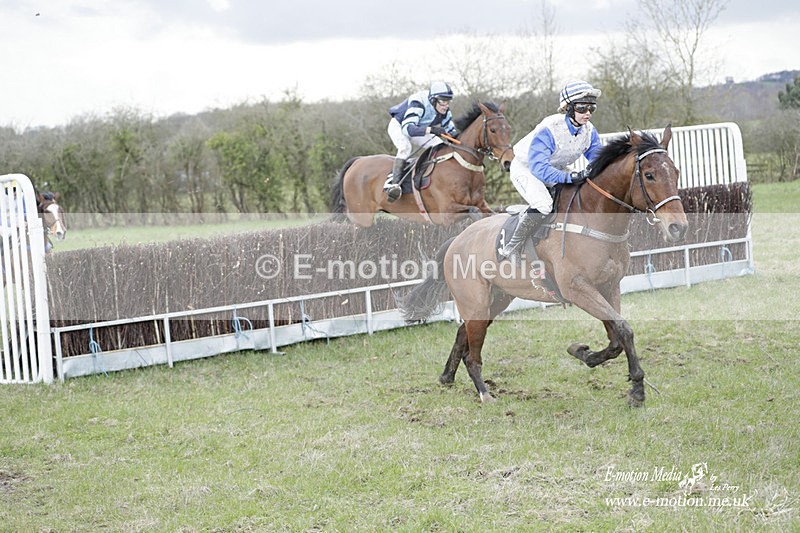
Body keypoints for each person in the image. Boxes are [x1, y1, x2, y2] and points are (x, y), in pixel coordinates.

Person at [499, 80, 603, 258]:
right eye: (582, 108)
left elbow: (598, 159)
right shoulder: (550, 129)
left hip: (555, 168)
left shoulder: (589, 131)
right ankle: (513, 246)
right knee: (544, 205)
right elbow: (539, 169)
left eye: (591, 108)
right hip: (527, 168)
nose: (588, 114)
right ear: (568, 108)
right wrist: (571, 177)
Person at [384, 81, 458, 202]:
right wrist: (432, 129)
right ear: (433, 100)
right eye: (443, 101)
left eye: (448, 101)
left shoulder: (445, 110)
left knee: (440, 145)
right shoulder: (418, 103)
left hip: (420, 128)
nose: (446, 105)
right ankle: (393, 184)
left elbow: (451, 131)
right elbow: (408, 129)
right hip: (400, 126)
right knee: (405, 147)